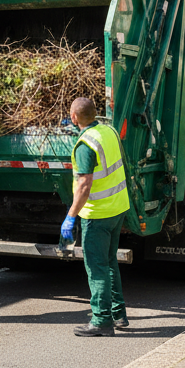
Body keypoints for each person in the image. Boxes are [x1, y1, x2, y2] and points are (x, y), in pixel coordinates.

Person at [62, 96, 131, 337]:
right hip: (117, 208)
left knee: (97, 266)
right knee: (110, 262)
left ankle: (101, 320)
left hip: (97, 214)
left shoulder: (85, 146)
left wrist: (71, 216)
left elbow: (84, 186)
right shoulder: (108, 131)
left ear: (73, 118)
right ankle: (118, 314)